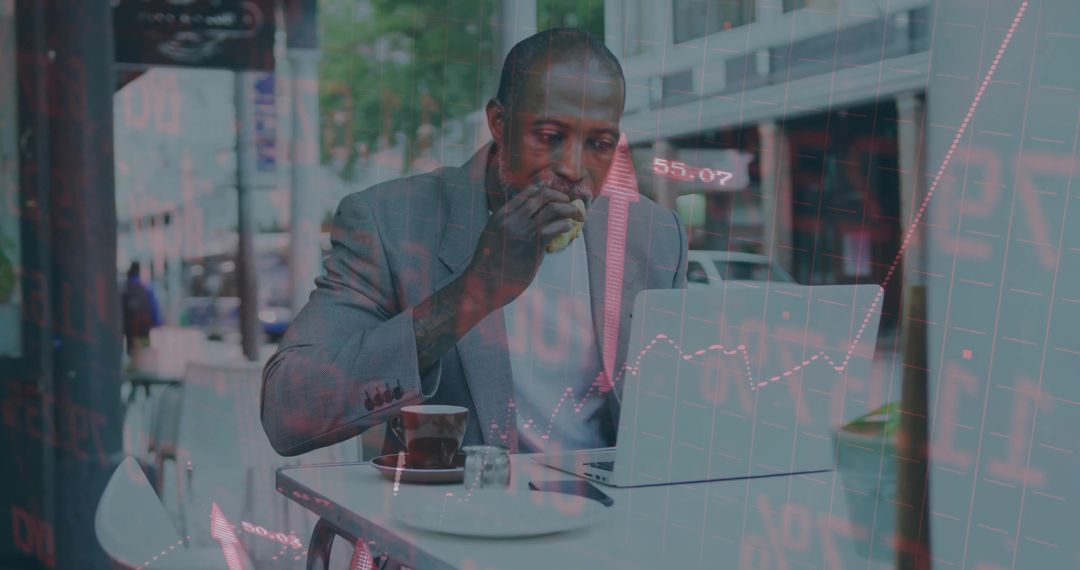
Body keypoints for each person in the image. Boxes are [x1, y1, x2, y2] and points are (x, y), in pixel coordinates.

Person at [261, 28, 688, 457]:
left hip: (610, 513)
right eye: (550, 136)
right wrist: (472, 294)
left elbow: (678, 410)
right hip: (455, 513)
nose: (574, 168)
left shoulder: (655, 236)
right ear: (499, 123)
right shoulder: (390, 222)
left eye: (599, 144)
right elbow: (287, 412)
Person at [121, 261, 162, 354]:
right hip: (144, 326)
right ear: (139, 272)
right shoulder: (146, 287)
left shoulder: (125, 288)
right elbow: (154, 306)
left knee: (131, 351)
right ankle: (142, 365)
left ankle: (133, 364)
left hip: (130, 327)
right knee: (144, 351)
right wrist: (157, 323)